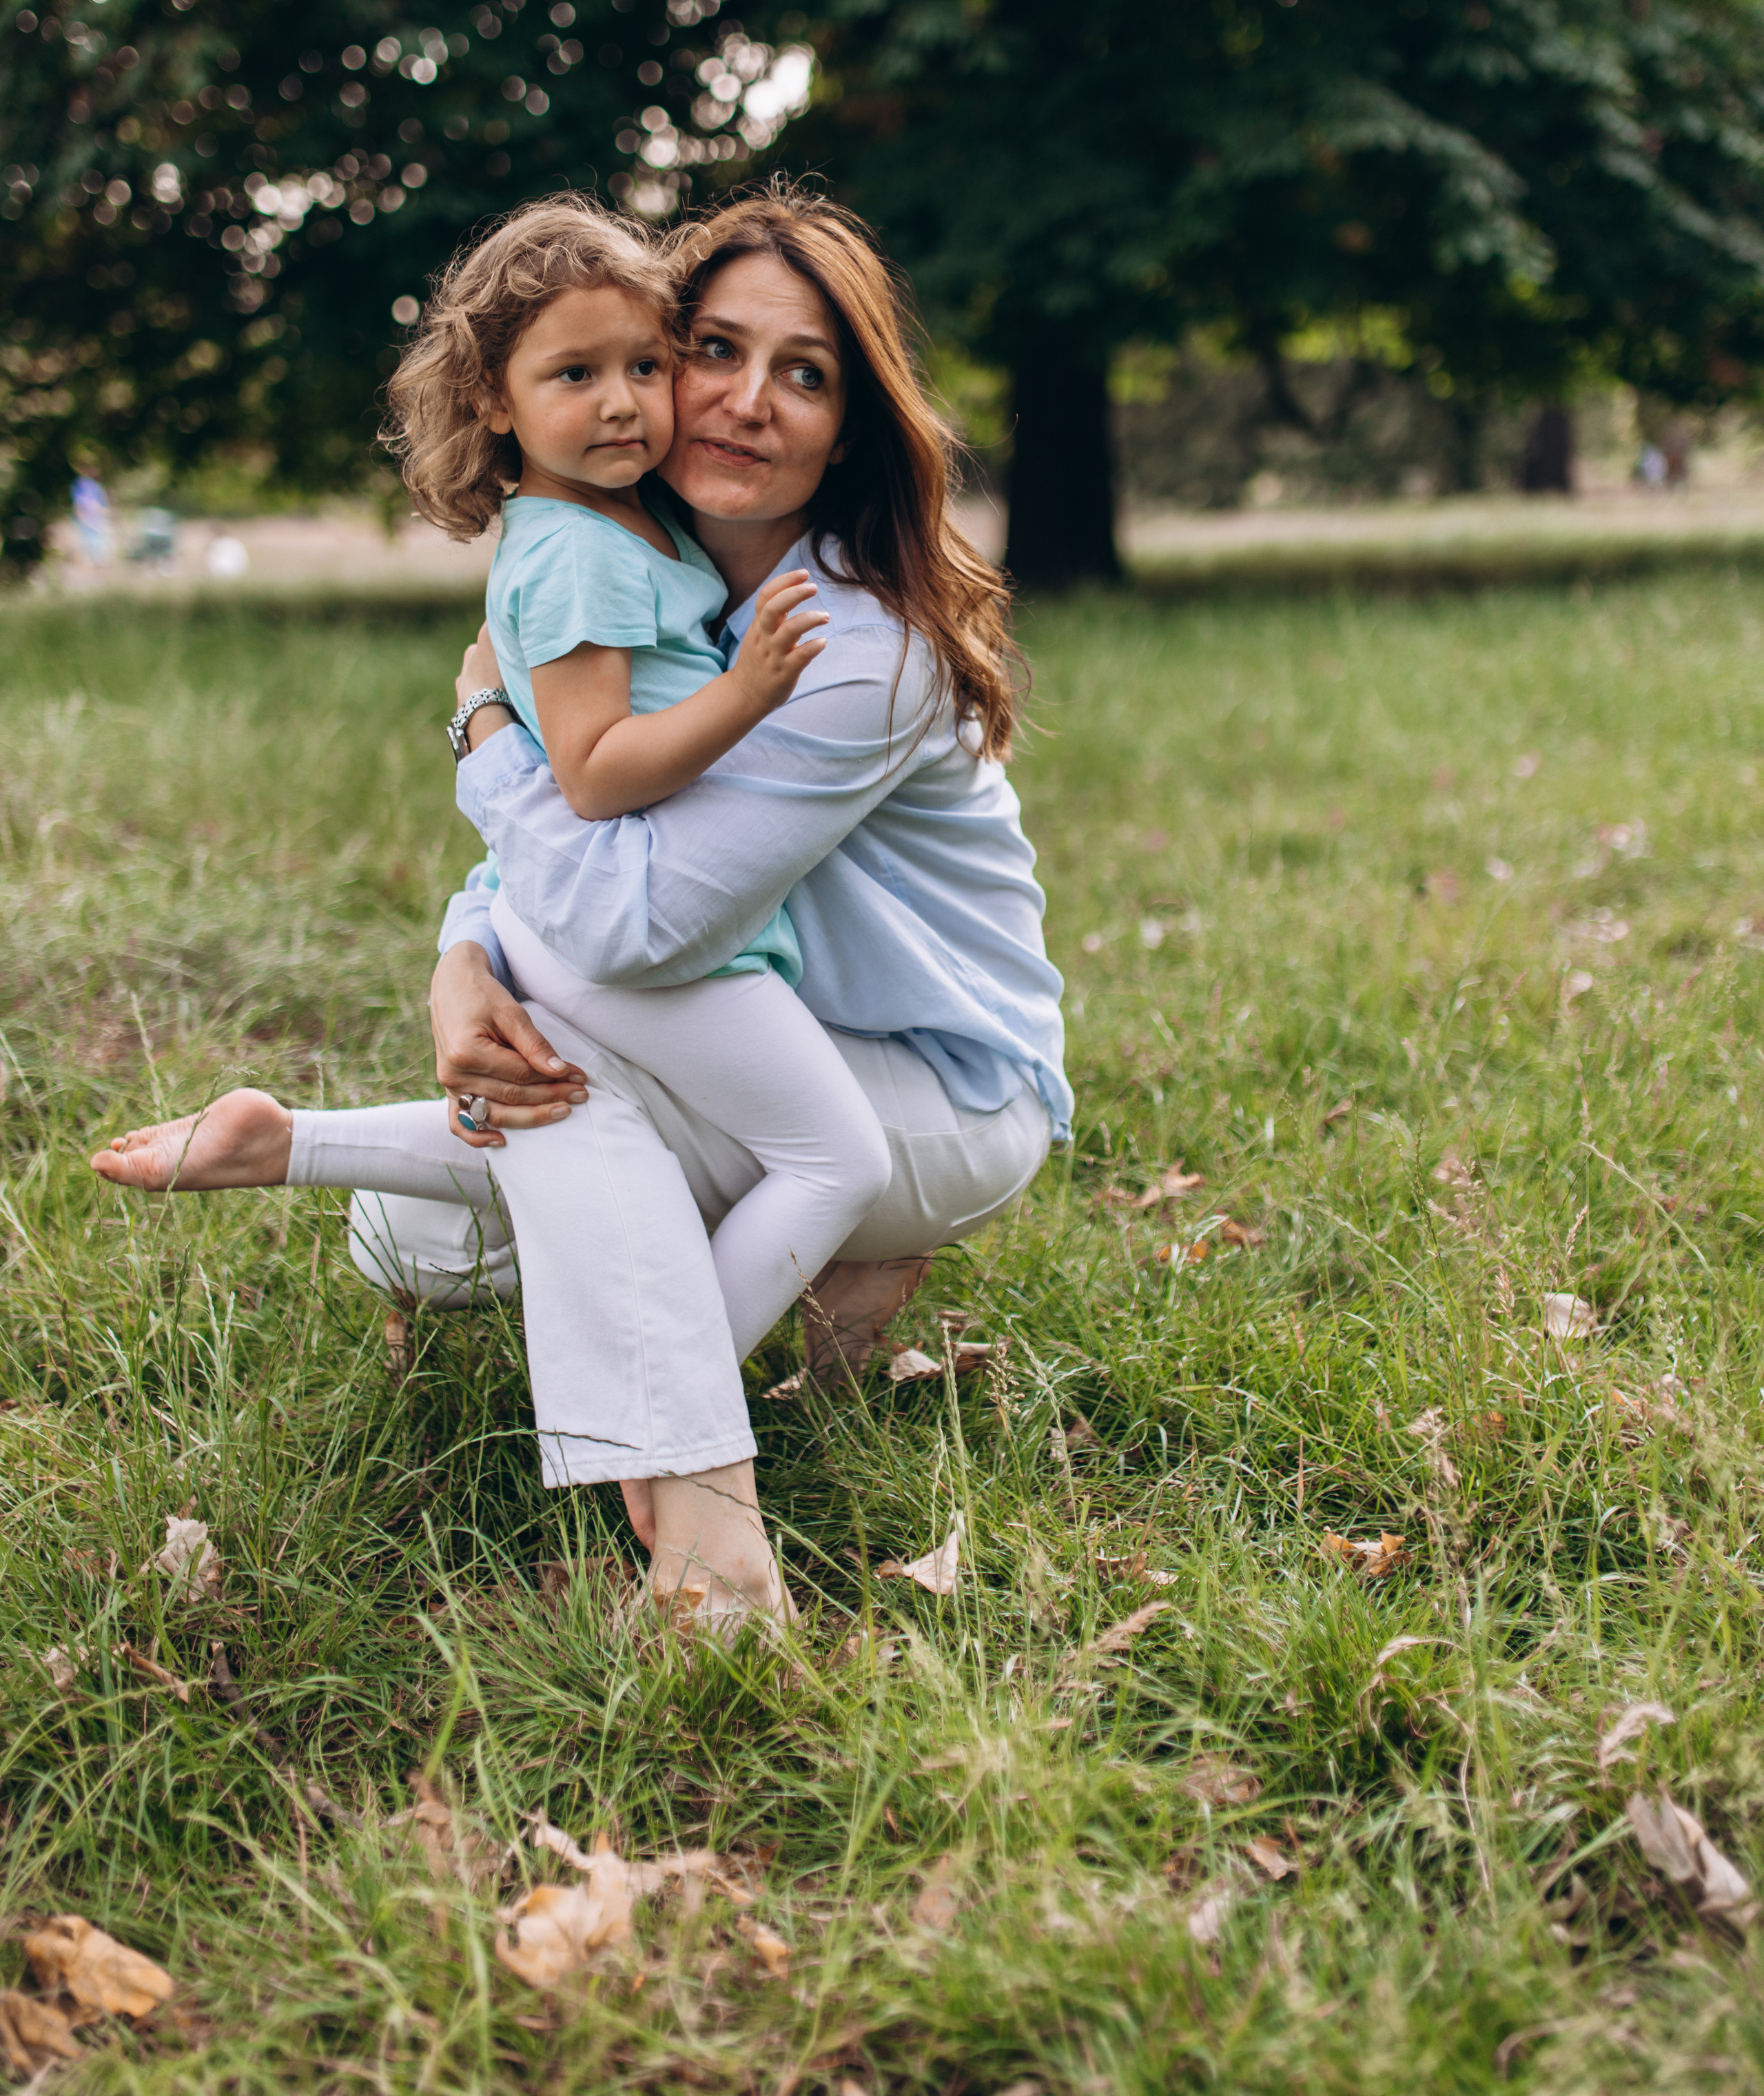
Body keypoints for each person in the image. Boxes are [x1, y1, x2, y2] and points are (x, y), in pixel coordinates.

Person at [92, 189, 1069, 1630]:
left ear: (855, 423)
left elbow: (627, 923)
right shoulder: (641, 568)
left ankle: (693, 1500)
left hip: (938, 1081)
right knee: (416, 1240)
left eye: (802, 372)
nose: (740, 399)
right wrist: (461, 957)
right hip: (752, 1014)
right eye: (712, 348)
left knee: (575, 1083)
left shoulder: (843, 646)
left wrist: (483, 741)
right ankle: (315, 1156)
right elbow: (601, 834)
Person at [381, 192, 892, 1376]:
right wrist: (748, 692)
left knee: (598, 1138)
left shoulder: (627, 519)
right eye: (574, 375)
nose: (622, 401)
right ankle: (660, 1396)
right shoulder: (574, 552)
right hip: (649, 937)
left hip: (631, 916)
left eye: (646, 364)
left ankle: (295, 1143)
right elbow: (595, 776)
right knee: (836, 1161)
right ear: (493, 403)